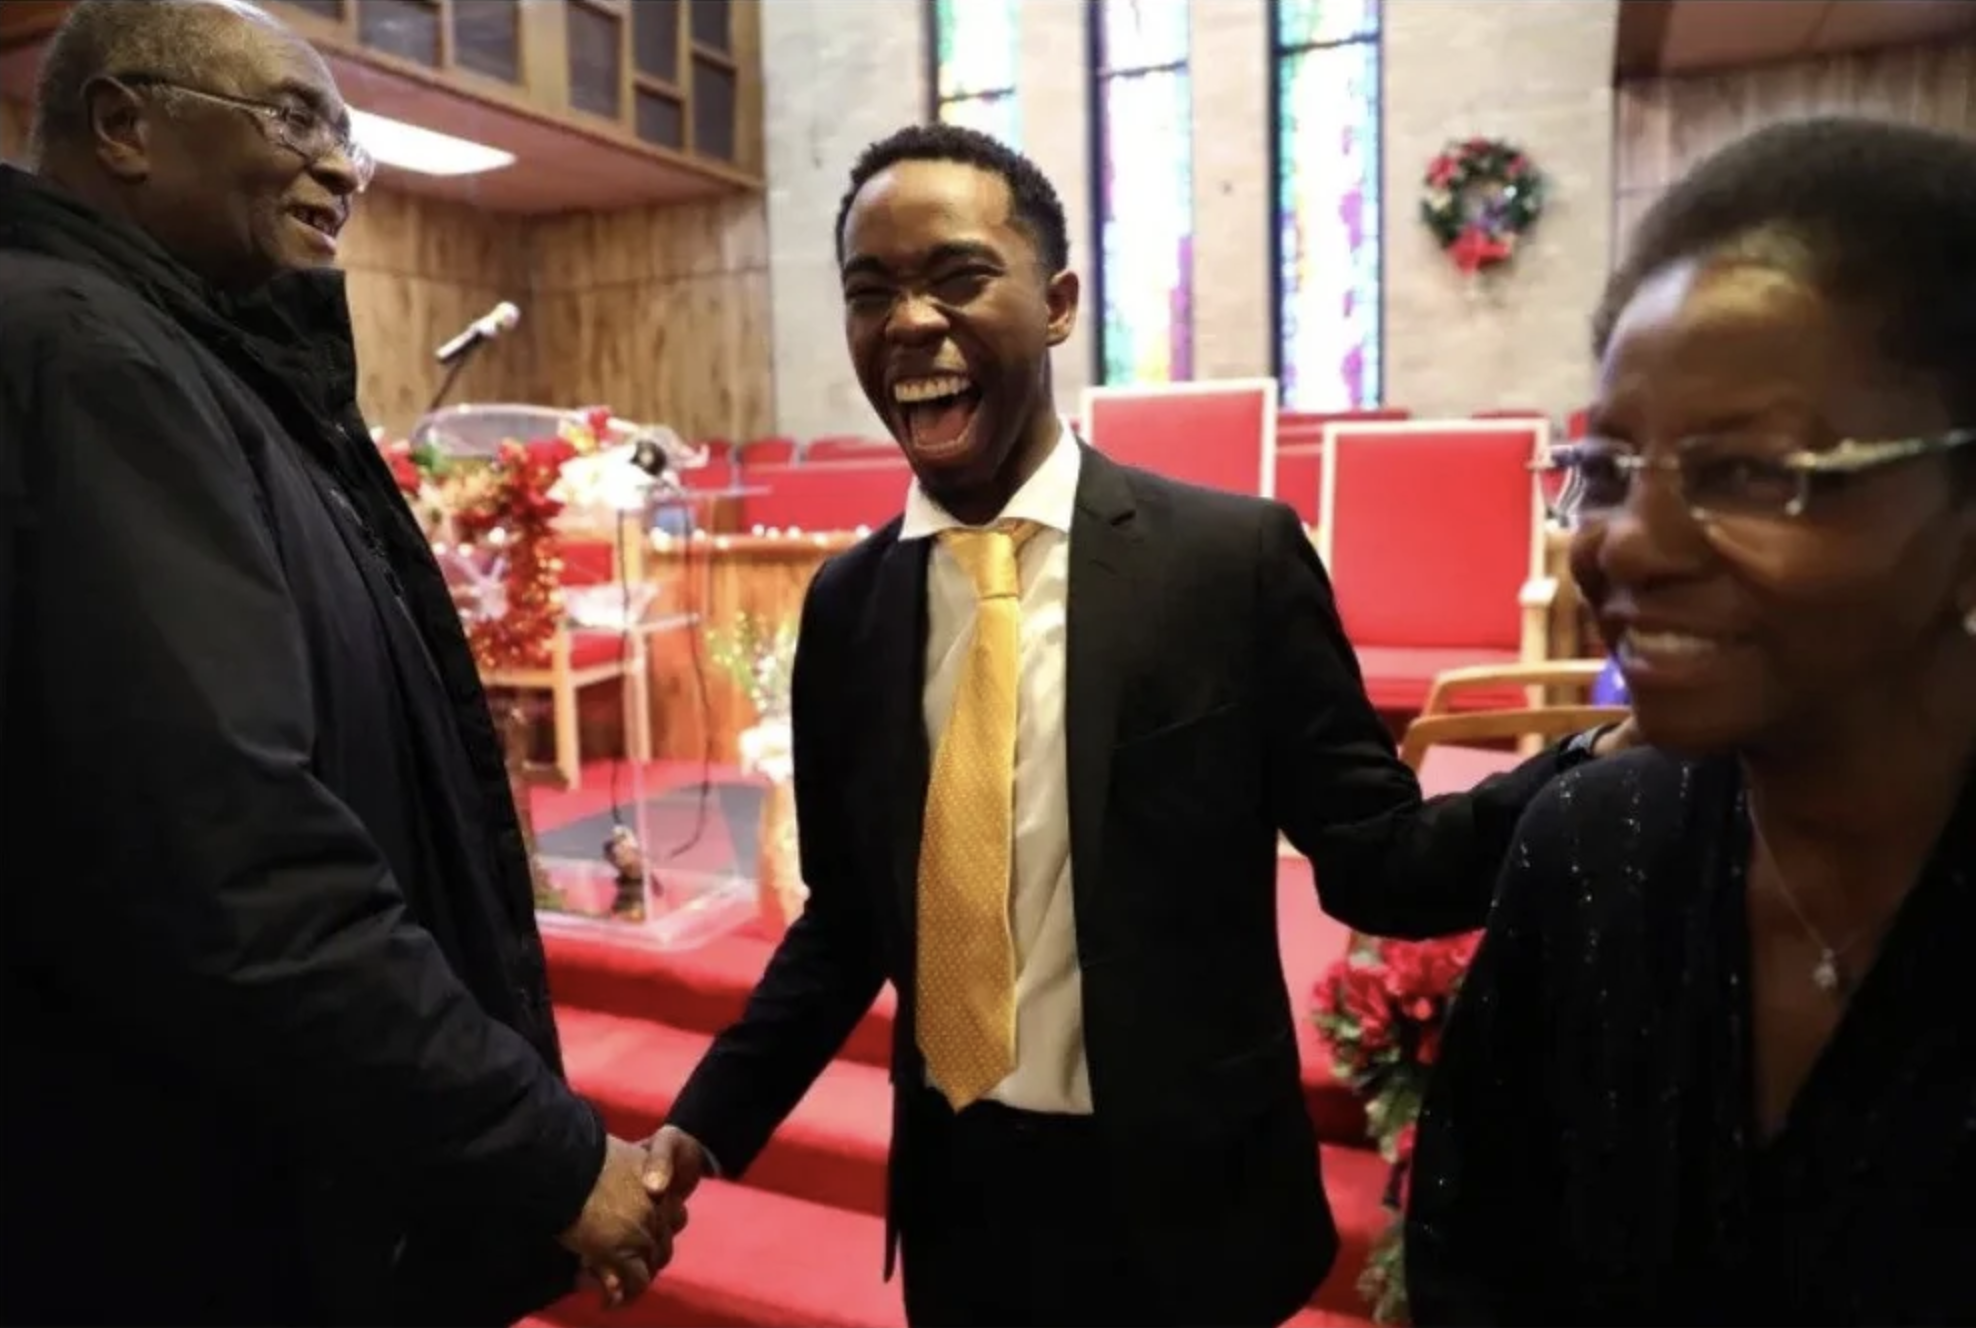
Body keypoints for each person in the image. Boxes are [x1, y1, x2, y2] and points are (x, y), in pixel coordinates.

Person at [638, 123, 1630, 1327]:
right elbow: (850, 919)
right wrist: (704, 1120)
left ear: (1055, 305)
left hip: (1186, 1211)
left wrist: (1593, 770)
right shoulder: (850, 607)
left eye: (956, 277)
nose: (908, 321)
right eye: (870, 291)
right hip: (967, 1219)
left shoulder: (1228, 563)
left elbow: (1381, 860)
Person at [0, 3, 672, 1322]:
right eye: (298, 121)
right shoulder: (94, 363)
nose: (341, 170)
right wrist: (538, 1151)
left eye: (352, 143)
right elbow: (233, 861)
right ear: (125, 126)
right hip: (198, 1210)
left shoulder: (198, 361)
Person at [1406, 117, 1976, 1326]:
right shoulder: (1585, 847)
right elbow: (1474, 1266)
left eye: (1746, 471)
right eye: (1603, 467)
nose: (1623, 541)